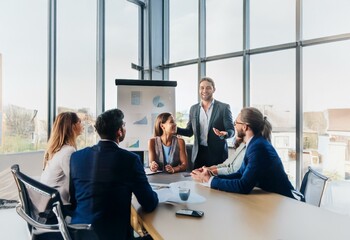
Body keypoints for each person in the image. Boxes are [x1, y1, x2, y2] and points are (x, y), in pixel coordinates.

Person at [69, 109, 158, 240]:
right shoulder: (130, 160)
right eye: (124, 125)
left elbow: (74, 200)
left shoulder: (77, 157)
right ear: (119, 131)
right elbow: (149, 203)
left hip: (79, 235)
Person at [191, 107, 295, 199]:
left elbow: (243, 186)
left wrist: (210, 181)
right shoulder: (253, 143)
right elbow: (240, 174)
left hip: (284, 201)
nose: (235, 126)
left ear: (245, 127)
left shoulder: (258, 147)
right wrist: (211, 175)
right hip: (272, 198)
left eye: (236, 123)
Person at [177, 77, 235, 169]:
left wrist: (225, 134)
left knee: (215, 182)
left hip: (217, 155)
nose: (204, 90)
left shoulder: (223, 108)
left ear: (213, 89)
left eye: (208, 88)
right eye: (202, 88)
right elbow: (189, 132)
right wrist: (174, 129)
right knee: (197, 181)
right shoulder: (194, 109)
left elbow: (231, 130)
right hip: (198, 154)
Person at [40, 112, 83, 211]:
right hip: (57, 207)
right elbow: (76, 181)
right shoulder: (68, 151)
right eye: (80, 122)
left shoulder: (56, 149)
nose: (82, 125)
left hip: (47, 202)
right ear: (73, 126)